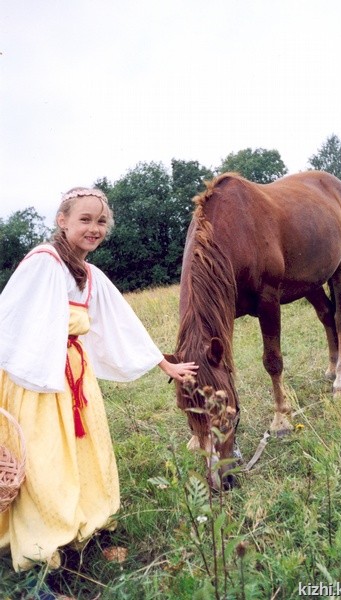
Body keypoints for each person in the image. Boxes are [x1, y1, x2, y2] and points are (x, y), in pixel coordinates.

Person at [0, 187, 198, 572]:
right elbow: (9, 318)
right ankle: (42, 561)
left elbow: (123, 323)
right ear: (63, 221)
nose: (94, 228)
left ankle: (87, 531)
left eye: (101, 221)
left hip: (75, 379)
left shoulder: (90, 275)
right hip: (37, 381)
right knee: (45, 462)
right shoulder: (44, 261)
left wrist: (165, 365)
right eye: (85, 219)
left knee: (88, 456)